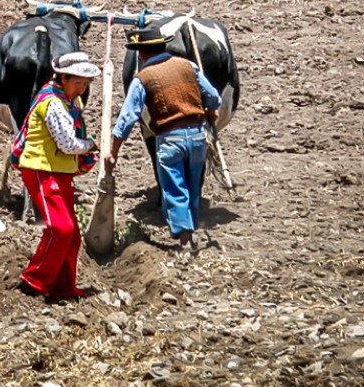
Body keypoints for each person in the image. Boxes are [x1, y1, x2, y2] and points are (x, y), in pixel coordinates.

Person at [108, 26, 222, 252]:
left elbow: (128, 118)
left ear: (141, 54)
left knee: (174, 188)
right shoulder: (189, 66)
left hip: (170, 139)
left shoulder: (143, 78)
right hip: (198, 137)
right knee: (192, 185)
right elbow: (215, 98)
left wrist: (113, 151)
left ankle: (185, 238)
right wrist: (206, 112)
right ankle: (192, 229)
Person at [12, 51, 100, 301]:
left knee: (72, 235)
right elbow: (67, 144)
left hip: (60, 171)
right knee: (61, 228)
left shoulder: (72, 101)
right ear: (62, 77)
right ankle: (34, 279)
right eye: (77, 83)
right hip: (41, 169)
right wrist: (90, 145)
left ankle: (63, 286)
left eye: (85, 84)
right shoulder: (53, 103)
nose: (81, 89)